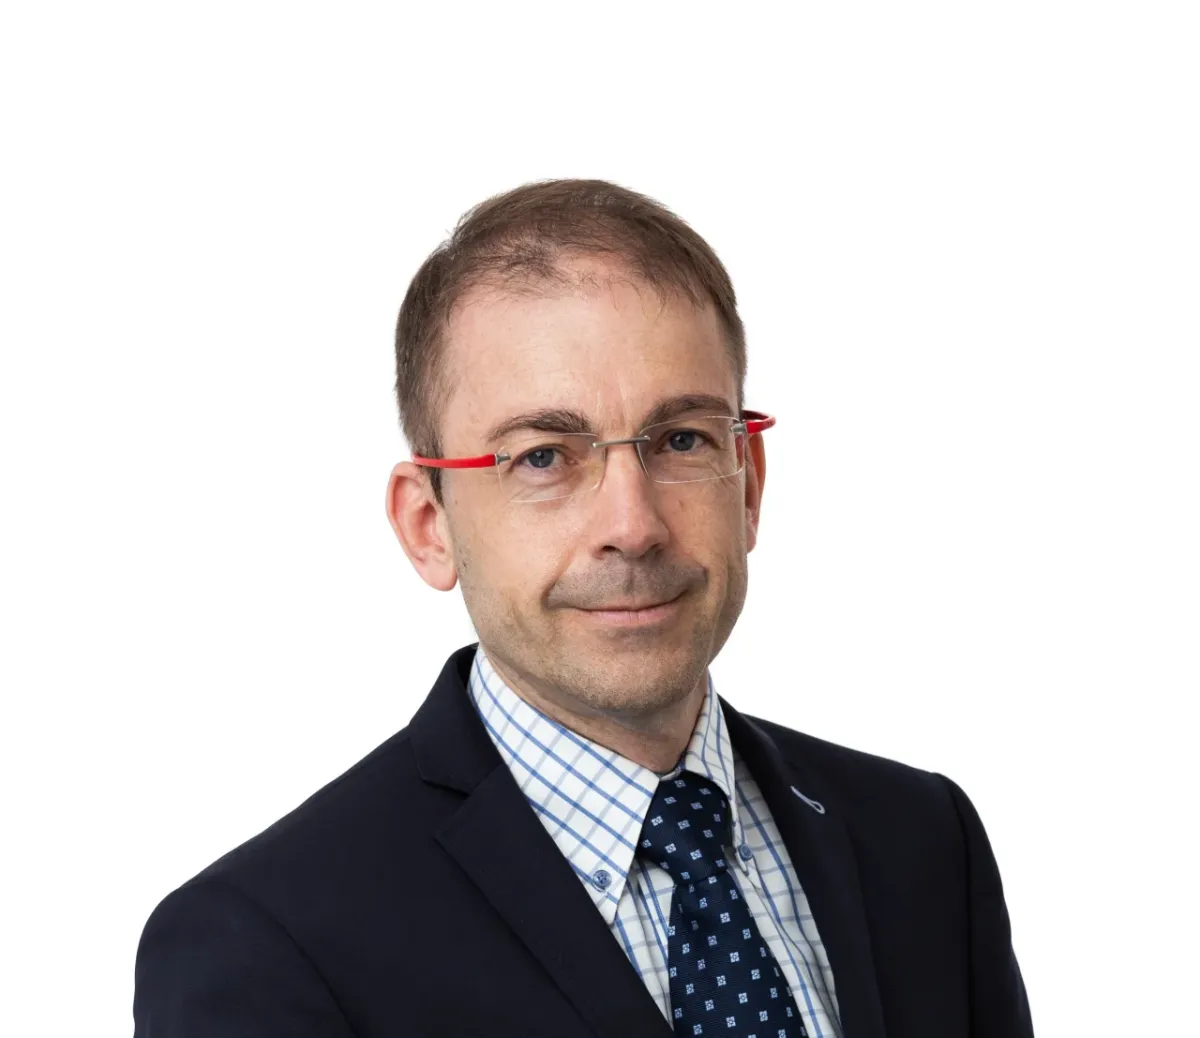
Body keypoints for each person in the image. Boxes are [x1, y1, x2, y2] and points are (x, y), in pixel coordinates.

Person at [132, 179, 1034, 1038]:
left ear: (748, 483)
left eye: (681, 440)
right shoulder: (262, 946)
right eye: (542, 457)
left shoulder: (922, 840)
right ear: (428, 525)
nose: (632, 527)